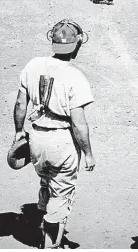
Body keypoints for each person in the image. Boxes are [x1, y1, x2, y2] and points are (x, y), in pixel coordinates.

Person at [13, 19, 96, 248]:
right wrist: (88, 153)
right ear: (77, 45)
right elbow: (79, 124)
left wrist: (19, 132)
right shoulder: (76, 76)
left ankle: (43, 220)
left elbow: (21, 105)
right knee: (61, 193)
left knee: (46, 180)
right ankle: (50, 244)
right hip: (62, 142)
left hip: (36, 139)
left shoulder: (32, 65)